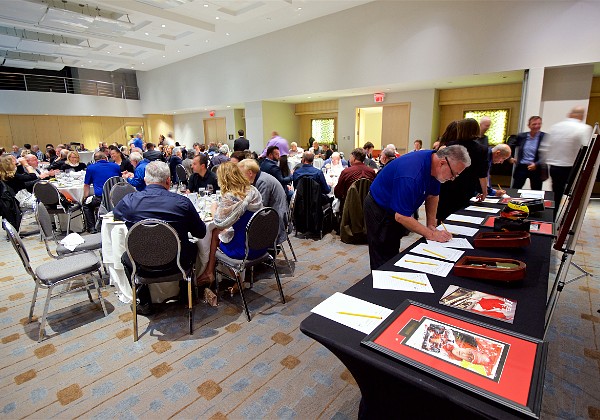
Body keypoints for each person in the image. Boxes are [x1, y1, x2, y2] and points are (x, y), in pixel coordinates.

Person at [114, 161, 206, 315]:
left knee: (125, 257)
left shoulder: (129, 201)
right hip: (177, 262)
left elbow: (116, 215)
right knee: (192, 247)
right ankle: (186, 295)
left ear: (145, 180)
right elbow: (201, 233)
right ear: (169, 181)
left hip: (142, 263)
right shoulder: (182, 202)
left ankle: (143, 302)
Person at [364, 145, 471, 269]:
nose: (452, 179)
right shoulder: (412, 174)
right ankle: (380, 282)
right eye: (453, 174)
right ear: (442, 163)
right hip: (379, 207)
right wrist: (430, 235)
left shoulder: (434, 164)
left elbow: (433, 196)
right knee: (382, 255)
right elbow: (401, 216)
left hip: (396, 208)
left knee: (392, 250)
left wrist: (431, 225)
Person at [196, 162, 264, 287]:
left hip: (243, 250)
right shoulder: (253, 191)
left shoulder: (231, 197)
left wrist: (214, 207)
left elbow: (219, 222)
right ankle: (215, 274)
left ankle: (210, 272)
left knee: (215, 232)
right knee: (218, 232)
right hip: (261, 244)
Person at [541, 106, 593, 215]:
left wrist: (544, 165)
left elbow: (545, 147)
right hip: (573, 167)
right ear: (582, 115)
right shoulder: (584, 128)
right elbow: (586, 149)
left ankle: (554, 216)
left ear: (570, 114)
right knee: (574, 194)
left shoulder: (556, 127)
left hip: (555, 166)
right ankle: (567, 217)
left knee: (556, 193)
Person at [436, 119, 489, 222]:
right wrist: (484, 191)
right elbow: (482, 173)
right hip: (467, 187)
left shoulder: (449, 145)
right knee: (462, 215)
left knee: (444, 216)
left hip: (448, 184)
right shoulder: (481, 149)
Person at [238, 159, 289, 245]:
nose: (240, 177)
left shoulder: (262, 182)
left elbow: (259, 208)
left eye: (241, 174)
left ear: (250, 173)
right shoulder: (260, 177)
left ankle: (247, 251)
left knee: (241, 224)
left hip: (276, 220)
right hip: (274, 213)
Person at [82, 151, 121, 233]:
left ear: (94, 160)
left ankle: (91, 228)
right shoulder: (115, 166)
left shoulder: (91, 168)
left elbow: (86, 185)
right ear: (106, 158)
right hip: (116, 197)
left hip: (100, 199)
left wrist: (85, 197)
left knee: (86, 205)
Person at [509, 116, 546, 190]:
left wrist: (536, 164)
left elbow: (547, 154)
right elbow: (510, 145)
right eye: (534, 124)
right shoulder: (522, 136)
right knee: (515, 189)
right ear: (529, 125)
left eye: (539, 124)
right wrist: (510, 158)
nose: (537, 126)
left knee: (536, 191)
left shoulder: (544, 137)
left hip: (536, 168)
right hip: (522, 167)